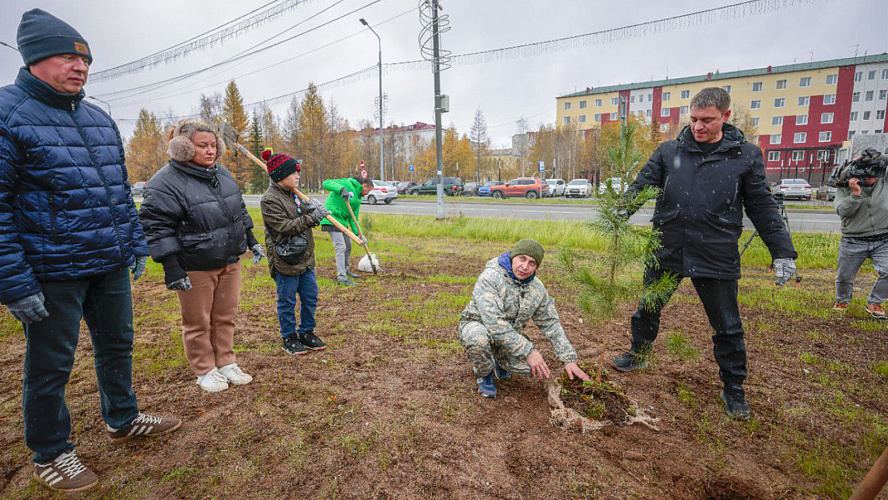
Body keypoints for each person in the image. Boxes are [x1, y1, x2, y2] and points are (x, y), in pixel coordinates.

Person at [0, 9, 181, 492]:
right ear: (34, 59)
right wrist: (14, 283)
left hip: (108, 263)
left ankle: (122, 418)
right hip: (50, 271)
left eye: (86, 60)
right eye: (67, 58)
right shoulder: (7, 114)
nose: (80, 68)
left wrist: (135, 243)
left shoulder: (98, 118)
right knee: (51, 364)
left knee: (118, 345)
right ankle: (50, 452)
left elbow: (120, 191)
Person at [611, 87, 797, 421]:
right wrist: (619, 211)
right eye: (694, 119)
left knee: (727, 326)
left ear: (726, 117)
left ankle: (733, 387)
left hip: (716, 252)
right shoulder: (669, 151)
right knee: (648, 307)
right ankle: (639, 352)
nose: (698, 126)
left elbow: (762, 206)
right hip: (667, 246)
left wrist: (782, 251)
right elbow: (642, 185)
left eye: (707, 120)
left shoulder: (745, 156)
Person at [139, 120, 264, 393]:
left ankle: (226, 362)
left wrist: (251, 240)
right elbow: (156, 227)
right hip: (194, 265)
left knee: (225, 317)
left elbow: (239, 211)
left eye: (213, 145)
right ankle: (205, 369)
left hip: (229, 260)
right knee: (197, 322)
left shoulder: (223, 174)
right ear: (183, 148)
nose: (210, 151)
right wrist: (171, 267)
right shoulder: (165, 183)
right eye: (202, 146)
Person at [459, 238, 590, 398]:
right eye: (522, 259)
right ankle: (485, 373)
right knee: (477, 340)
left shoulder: (537, 289)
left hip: (510, 335)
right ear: (513, 256)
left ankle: (501, 361)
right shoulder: (490, 278)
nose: (525, 267)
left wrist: (568, 358)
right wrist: (528, 352)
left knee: (531, 370)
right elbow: (495, 324)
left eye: (532, 263)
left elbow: (550, 324)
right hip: (478, 325)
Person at [260, 150, 330, 355]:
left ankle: (307, 332)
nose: (298, 176)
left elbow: (300, 217)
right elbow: (285, 227)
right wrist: (313, 217)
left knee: (310, 297)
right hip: (286, 258)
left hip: (305, 257)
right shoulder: (269, 200)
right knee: (287, 300)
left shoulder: (295, 194)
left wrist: (311, 209)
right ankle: (289, 337)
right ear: (281, 175)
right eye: (294, 173)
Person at [833, 171, 888, 319]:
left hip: (883, 239)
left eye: (875, 172)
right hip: (853, 239)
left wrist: (878, 160)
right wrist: (855, 193)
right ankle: (842, 300)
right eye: (867, 173)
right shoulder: (844, 188)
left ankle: (875, 302)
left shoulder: (884, 182)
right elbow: (843, 211)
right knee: (845, 275)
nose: (871, 176)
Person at [321, 175, 373, 286]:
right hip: (331, 217)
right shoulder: (347, 183)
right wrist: (341, 189)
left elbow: (354, 218)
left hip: (342, 223)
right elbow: (326, 182)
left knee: (348, 245)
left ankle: (345, 269)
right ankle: (342, 278)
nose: (368, 193)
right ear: (364, 186)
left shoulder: (358, 198)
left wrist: (359, 234)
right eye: (368, 190)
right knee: (341, 247)